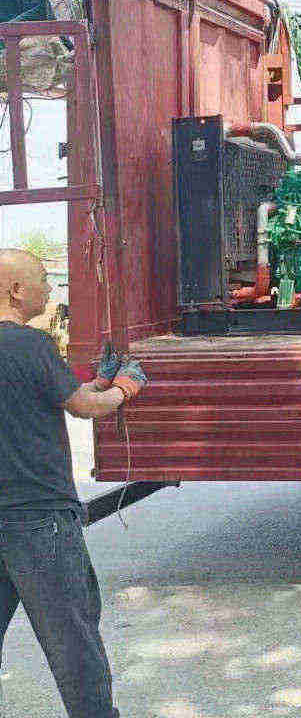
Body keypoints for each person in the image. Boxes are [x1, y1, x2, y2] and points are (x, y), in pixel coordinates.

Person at [0, 248, 148, 718]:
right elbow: (83, 408)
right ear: (17, 290)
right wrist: (125, 387)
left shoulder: (30, 353)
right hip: (38, 521)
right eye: (43, 279)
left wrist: (100, 381)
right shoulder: (30, 344)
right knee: (74, 648)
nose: (51, 288)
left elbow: (58, 391)